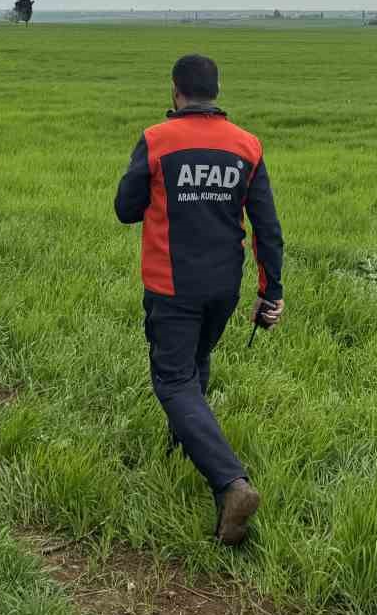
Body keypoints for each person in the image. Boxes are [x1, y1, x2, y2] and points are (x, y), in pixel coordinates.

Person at [114, 54, 284, 546]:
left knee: (172, 380)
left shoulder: (156, 140)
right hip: (223, 287)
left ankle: (231, 482)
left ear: (176, 92)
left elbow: (126, 210)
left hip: (172, 284)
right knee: (196, 363)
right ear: (215, 92)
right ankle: (184, 445)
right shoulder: (246, 146)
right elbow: (267, 228)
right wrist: (270, 293)